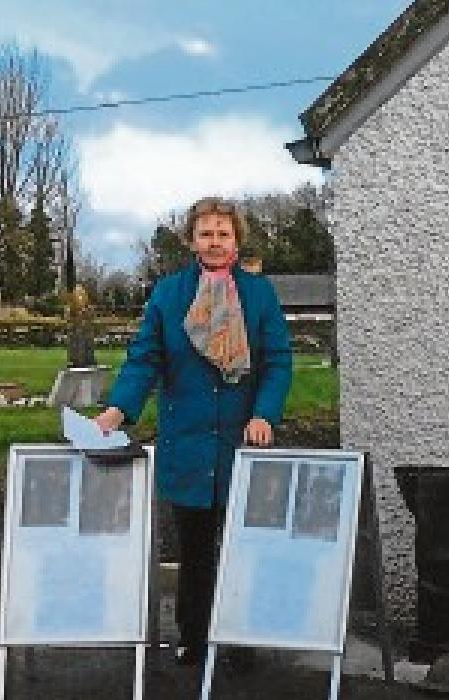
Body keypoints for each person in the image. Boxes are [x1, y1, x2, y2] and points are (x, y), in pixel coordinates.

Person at [94, 196, 292, 666]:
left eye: (224, 233)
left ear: (237, 239)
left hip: (244, 442)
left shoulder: (260, 295)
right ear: (192, 240)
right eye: (206, 233)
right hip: (187, 443)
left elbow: (278, 362)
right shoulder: (168, 294)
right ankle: (195, 637)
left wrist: (264, 413)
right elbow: (145, 360)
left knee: (244, 545)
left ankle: (242, 638)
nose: (215, 241)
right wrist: (117, 411)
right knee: (196, 548)